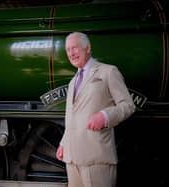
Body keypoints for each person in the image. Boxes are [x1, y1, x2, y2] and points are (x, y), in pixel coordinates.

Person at [56, 32, 135, 187]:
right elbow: (71, 117)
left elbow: (128, 105)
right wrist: (64, 143)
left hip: (96, 158)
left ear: (88, 48)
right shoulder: (72, 82)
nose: (71, 53)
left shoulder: (108, 72)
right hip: (71, 159)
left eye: (75, 48)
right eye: (68, 50)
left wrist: (105, 116)